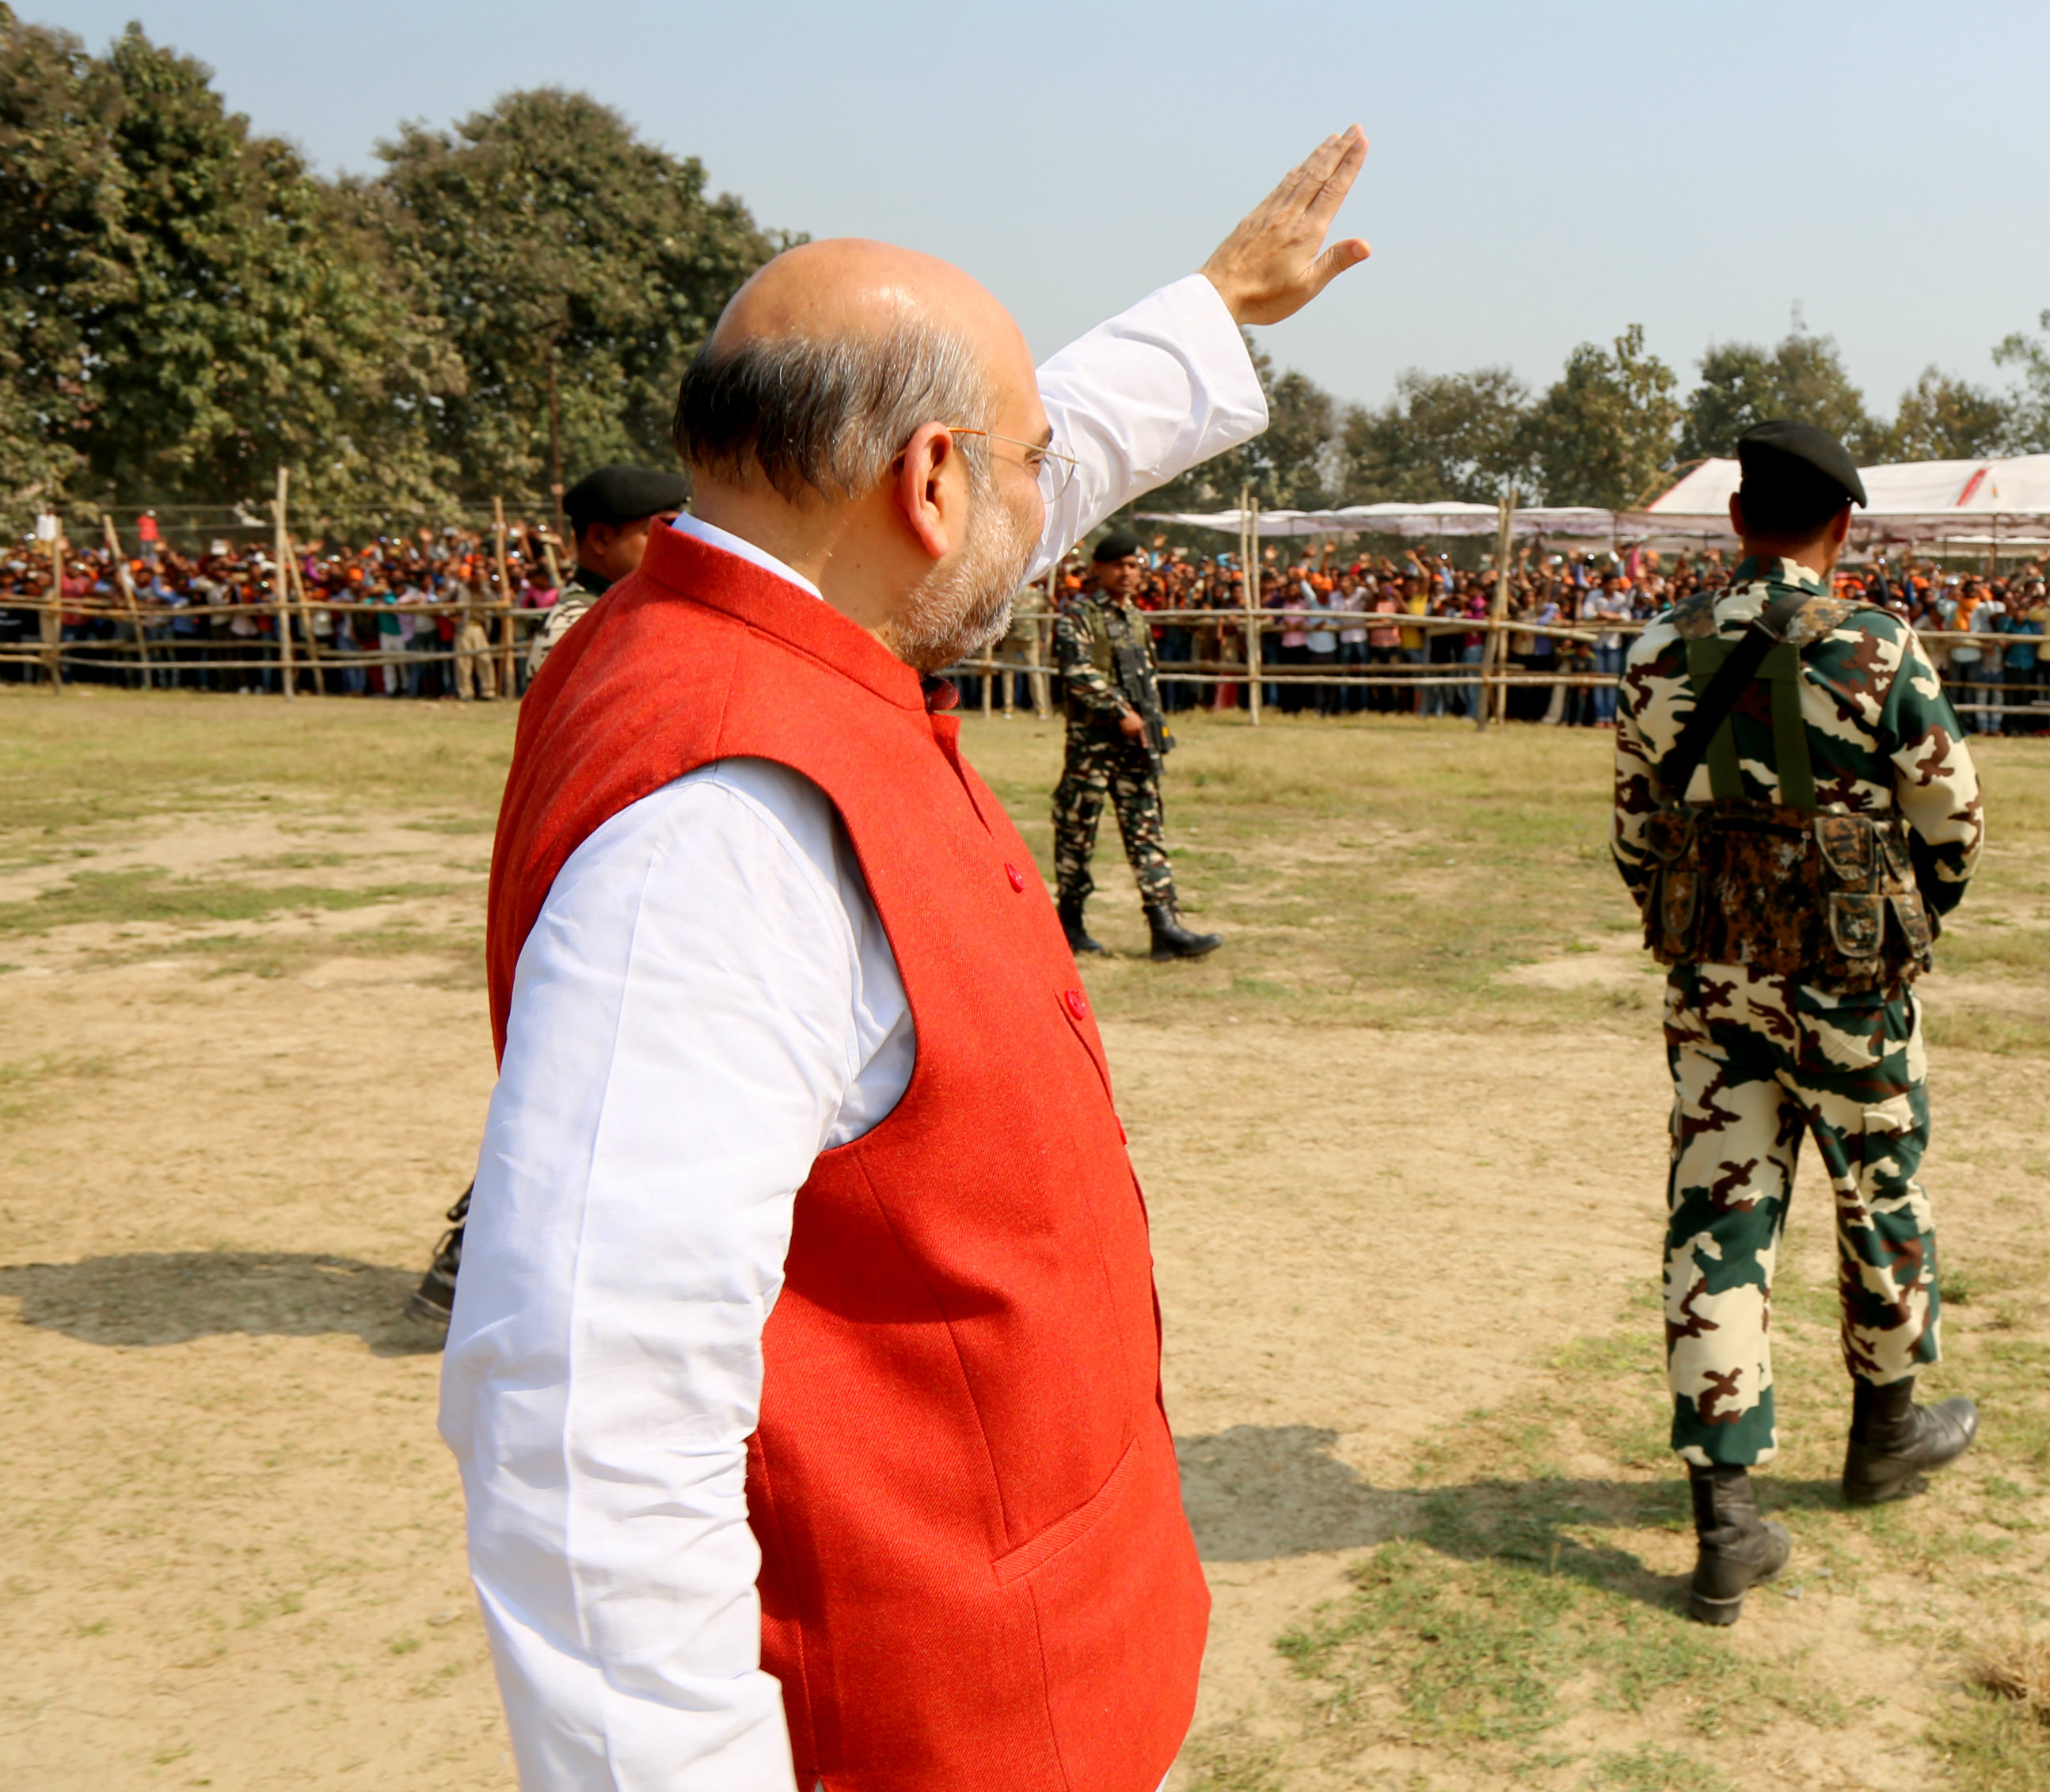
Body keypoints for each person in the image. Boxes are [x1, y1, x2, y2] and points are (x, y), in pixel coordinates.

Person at [439, 127, 1374, 1792]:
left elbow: (1016, 488)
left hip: (1010, 1664)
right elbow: (592, 1429)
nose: (1050, 498)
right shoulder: (723, 819)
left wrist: (1216, 308)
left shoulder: (727, 626)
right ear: (929, 485)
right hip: (928, 1723)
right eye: (1021, 466)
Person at [1610, 420, 1987, 1628]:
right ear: (1842, 527)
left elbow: (1634, 833)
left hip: (1714, 980)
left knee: (1718, 1216)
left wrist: (1712, 922)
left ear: (1734, 520)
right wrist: (1897, 920)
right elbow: (1953, 820)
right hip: (1851, 982)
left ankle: (1725, 1522)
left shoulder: (1661, 646)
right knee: (1879, 1190)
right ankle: (1886, 1431)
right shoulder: (1877, 647)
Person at [1051, 530, 1221, 960]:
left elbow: (1147, 682)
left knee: (1147, 829)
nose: (1127, 574)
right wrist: (1118, 709)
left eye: (1133, 566)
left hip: (1135, 745)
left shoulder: (1137, 619)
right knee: (1077, 831)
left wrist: (1152, 724)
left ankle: (1164, 928)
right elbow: (1077, 672)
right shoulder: (1079, 616)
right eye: (1118, 566)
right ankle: (1069, 926)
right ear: (1099, 570)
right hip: (1093, 745)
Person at [521, 464, 688, 684]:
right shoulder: (573, 630)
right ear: (601, 538)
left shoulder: (621, 610)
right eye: (654, 533)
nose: (673, 546)